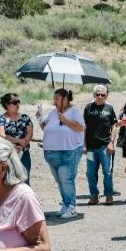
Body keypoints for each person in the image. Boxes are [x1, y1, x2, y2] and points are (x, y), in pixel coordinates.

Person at [38, 88, 87, 219]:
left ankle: (72, 207)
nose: (54, 101)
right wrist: (39, 118)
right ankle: (66, 204)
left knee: (66, 179)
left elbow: (81, 127)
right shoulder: (54, 112)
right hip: (51, 153)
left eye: (57, 99)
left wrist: (65, 120)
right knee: (60, 180)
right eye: (54, 98)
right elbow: (45, 127)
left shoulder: (74, 111)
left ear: (65, 100)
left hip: (69, 152)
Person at [83, 84, 119, 206]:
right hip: (91, 148)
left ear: (106, 95)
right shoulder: (88, 107)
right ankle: (94, 196)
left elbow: (114, 125)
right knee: (90, 173)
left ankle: (109, 195)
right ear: (94, 95)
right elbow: (84, 127)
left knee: (107, 172)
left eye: (102, 94)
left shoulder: (109, 108)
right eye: (97, 94)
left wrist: (112, 142)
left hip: (105, 146)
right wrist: (84, 145)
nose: (99, 96)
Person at [0, 92, 35, 181]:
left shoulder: (25, 117)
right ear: (7, 105)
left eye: (18, 102)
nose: (17, 104)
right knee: (9, 181)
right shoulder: (1, 119)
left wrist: (21, 146)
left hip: (24, 154)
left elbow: (30, 133)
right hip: (8, 155)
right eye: (14, 102)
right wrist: (19, 141)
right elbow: (2, 135)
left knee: (25, 181)